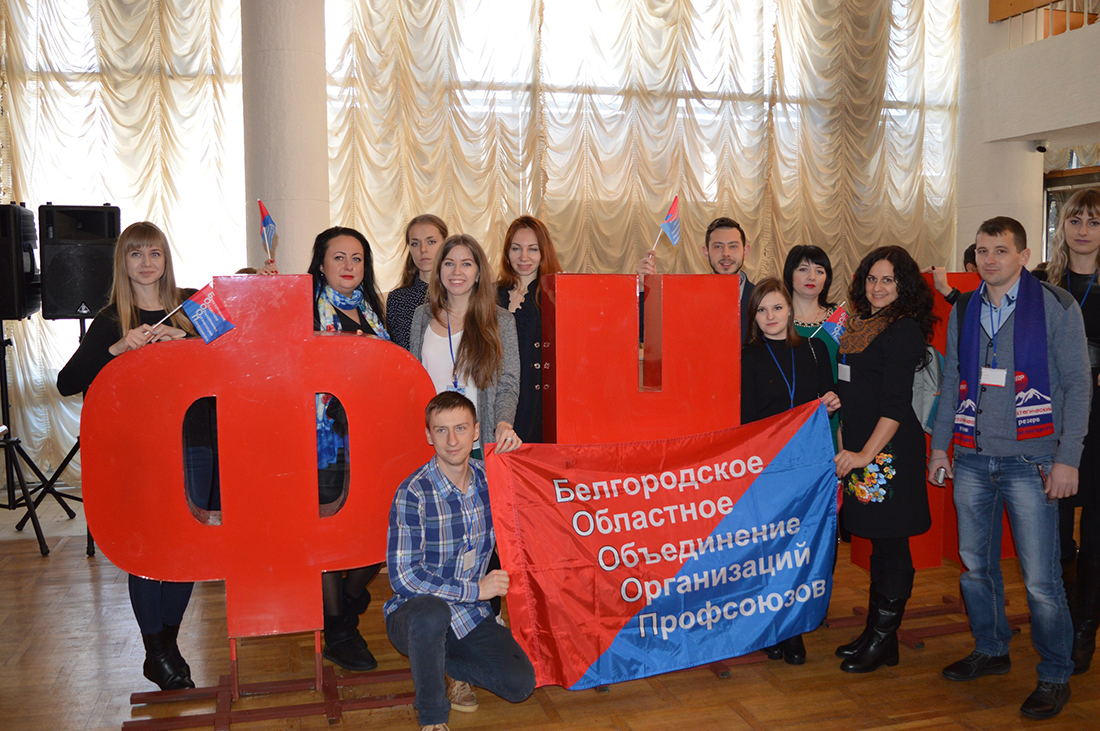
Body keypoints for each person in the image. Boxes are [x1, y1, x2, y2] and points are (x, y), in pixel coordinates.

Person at [928, 216, 1089, 719]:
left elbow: (1078, 385)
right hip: (972, 457)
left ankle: (1055, 674)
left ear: (1023, 255)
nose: (989, 259)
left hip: (1033, 459)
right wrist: (939, 449)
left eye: (1000, 250)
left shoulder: (1057, 306)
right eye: (982, 251)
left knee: (1041, 580)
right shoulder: (965, 308)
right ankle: (992, 648)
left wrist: (1068, 459)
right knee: (976, 569)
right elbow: (953, 379)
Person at [57, 221, 214, 691]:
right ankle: (156, 652)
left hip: (197, 443)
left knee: (186, 547)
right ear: (122, 262)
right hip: (141, 451)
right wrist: (118, 348)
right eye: (136, 254)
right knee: (147, 549)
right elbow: (67, 383)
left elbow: (237, 352)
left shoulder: (192, 305)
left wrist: (187, 343)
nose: (146, 263)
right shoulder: (111, 319)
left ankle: (167, 646)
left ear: (166, 259)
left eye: (155, 253)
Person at [385, 391, 536, 731]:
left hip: (469, 616)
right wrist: (475, 590)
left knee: (519, 684)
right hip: (414, 615)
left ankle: (441, 662)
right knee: (431, 612)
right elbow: (404, 578)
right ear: (428, 435)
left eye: (461, 428)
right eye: (441, 430)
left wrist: (518, 459)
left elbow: (536, 507)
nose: (452, 441)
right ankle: (433, 716)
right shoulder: (413, 492)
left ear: (477, 431)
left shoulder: (492, 480)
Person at [833, 245, 935, 674]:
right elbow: (853, 389)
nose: (877, 287)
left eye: (888, 280)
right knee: (877, 541)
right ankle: (878, 634)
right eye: (872, 278)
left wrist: (863, 455)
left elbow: (895, 405)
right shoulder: (859, 324)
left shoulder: (903, 329)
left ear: (903, 285)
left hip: (887, 452)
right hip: (862, 449)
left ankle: (883, 638)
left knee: (892, 545)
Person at [741, 278, 840, 665]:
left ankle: (794, 627)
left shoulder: (815, 349)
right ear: (753, 317)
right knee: (772, 553)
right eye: (762, 310)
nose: (770, 316)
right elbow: (747, 422)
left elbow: (831, 394)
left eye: (777, 308)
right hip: (768, 471)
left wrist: (831, 400)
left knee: (803, 550)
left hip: (811, 467)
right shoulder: (748, 357)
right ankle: (773, 627)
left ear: (790, 310)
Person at [307, 226, 390, 672]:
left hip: (372, 442)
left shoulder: (372, 310)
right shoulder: (304, 309)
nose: (348, 266)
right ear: (321, 264)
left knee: (382, 529)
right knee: (331, 535)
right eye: (338, 257)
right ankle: (338, 630)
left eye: (356, 258)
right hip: (323, 446)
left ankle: (347, 599)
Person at [1045, 189, 1100, 675]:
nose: (1083, 230)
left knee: (1096, 536)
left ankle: (1085, 627)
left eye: (1094, 222)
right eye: (1075, 220)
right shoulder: (1042, 281)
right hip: (1053, 417)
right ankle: (1060, 618)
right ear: (1062, 226)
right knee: (1055, 531)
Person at [409, 234, 522, 458]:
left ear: (478, 273)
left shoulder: (501, 321)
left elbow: (508, 384)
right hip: (431, 442)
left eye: (466, 264)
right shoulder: (422, 316)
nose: (456, 272)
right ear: (439, 271)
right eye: (449, 263)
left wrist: (503, 423)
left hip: (478, 442)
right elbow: (414, 380)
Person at [496, 215, 562, 444]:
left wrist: (641, 288)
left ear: (544, 252)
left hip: (539, 406)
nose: (524, 257)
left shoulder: (557, 295)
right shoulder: (490, 295)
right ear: (507, 253)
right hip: (498, 402)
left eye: (532, 249)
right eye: (516, 248)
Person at [635, 216, 756, 343]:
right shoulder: (688, 296)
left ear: (746, 251)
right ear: (706, 252)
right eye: (718, 247)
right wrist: (645, 288)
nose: (726, 253)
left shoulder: (761, 298)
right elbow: (646, 334)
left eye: (733, 246)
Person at [783, 245, 841, 444]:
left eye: (819, 271)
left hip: (835, 417)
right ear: (789, 274)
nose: (812, 277)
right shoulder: (777, 320)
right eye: (803, 269)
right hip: (791, 421)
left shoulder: (840, 320)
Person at [387, 215, 448, 350]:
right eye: (415, 243)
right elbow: (398, 352)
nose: (423, 249)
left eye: (431, 242)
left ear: (445, 244)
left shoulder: (459, 295)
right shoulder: (398, 299)